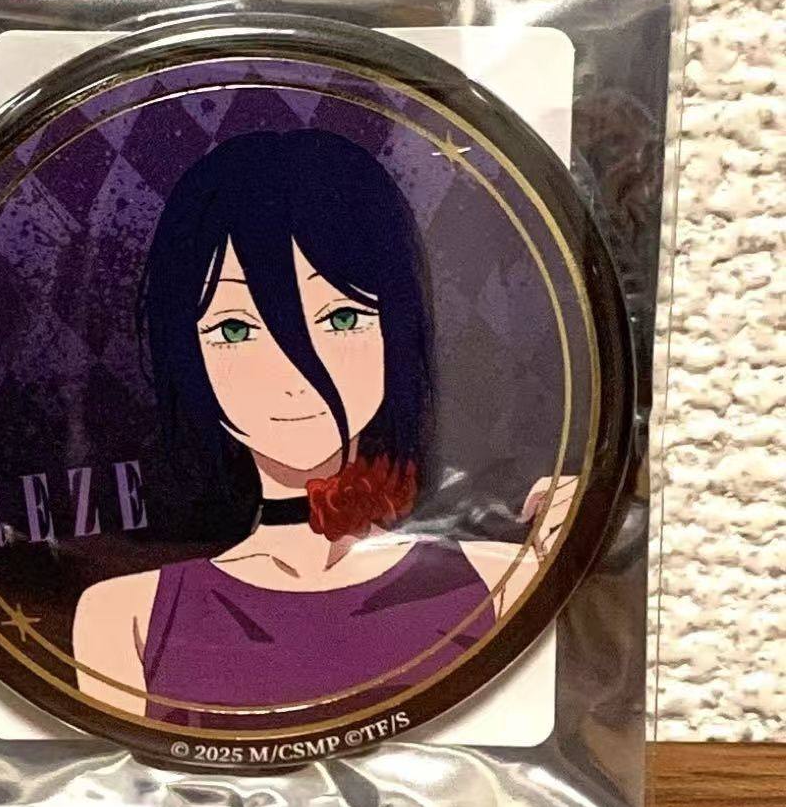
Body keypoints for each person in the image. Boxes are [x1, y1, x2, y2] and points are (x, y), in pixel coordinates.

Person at [73, 129, 573, 725]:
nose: (293, 371)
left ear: (397, 328)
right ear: (187, 353)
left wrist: (581, 559)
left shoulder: (499, 581)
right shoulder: (127, 616)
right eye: (236, 329)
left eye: (340, 317)